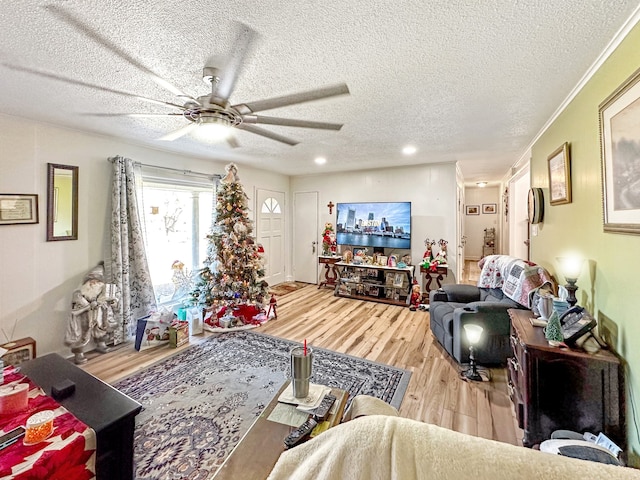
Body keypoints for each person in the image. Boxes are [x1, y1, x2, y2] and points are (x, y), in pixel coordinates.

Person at [64, 262, 119, 364]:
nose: (93, 283)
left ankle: (101, 344)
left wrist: (111, 301)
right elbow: (79, 301)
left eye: (97, 281)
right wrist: (89, 305)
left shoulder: (102, 292)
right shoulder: (79, 292)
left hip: (98, 315)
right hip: (84, 316)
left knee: (100, 329)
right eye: (91, 281)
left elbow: (110, 300)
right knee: (81, 334)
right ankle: (79, 353)